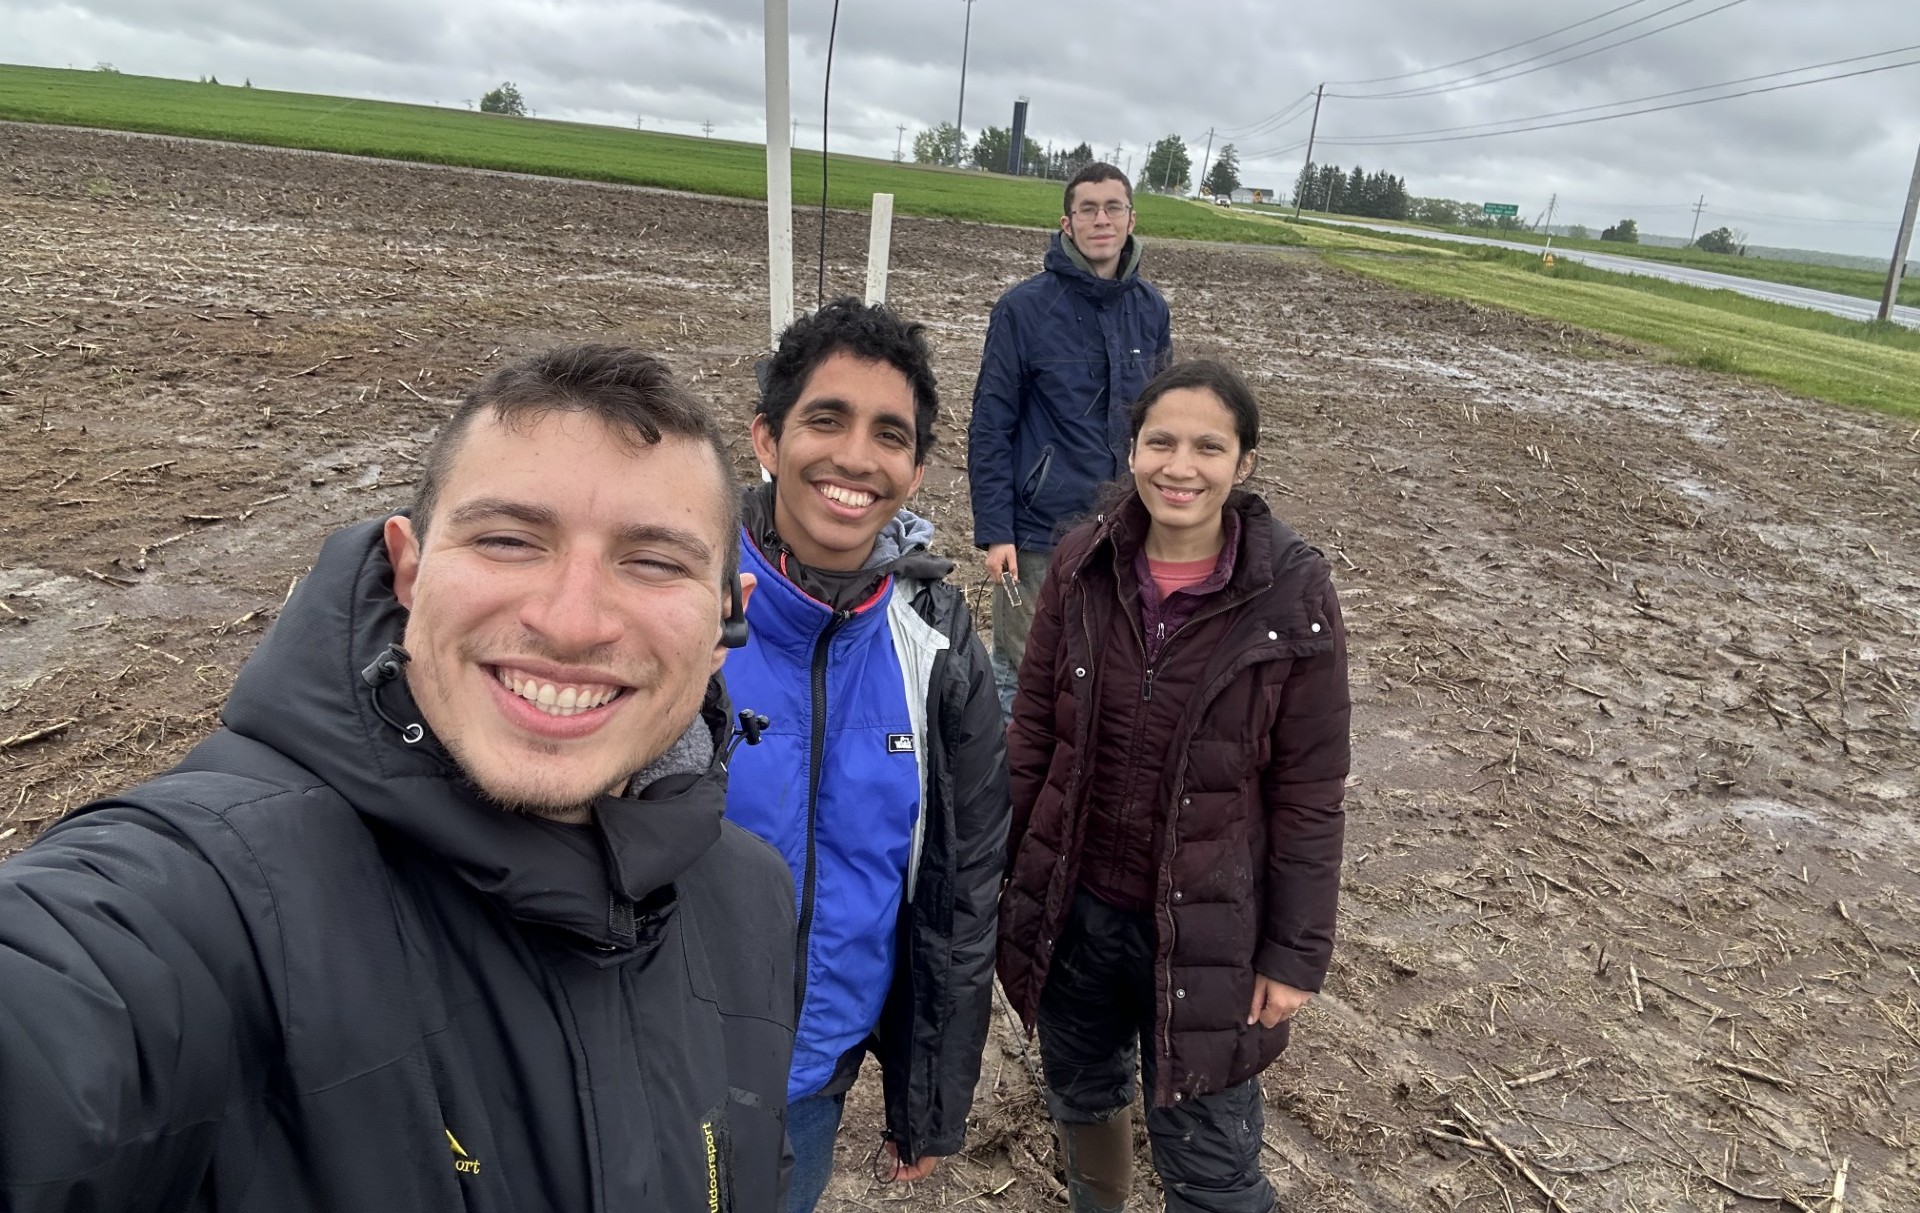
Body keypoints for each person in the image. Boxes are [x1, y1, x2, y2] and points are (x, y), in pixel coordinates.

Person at [0, 346, 798, 1212]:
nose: (572, 623)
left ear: (728, 620)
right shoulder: (217, 895)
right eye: (507, 540)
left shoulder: (746, 896)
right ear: (408, 569)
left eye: (653, 561)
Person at [997, 361, 1350, 1213]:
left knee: (1211, 1162)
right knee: (1083, 1093)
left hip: (1207, 932)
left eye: (1208, 447)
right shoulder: (1083, 563)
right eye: (1160, 442)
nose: (1179, 467)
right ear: (1132, 450)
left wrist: (1294, 953)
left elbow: (1310, 791)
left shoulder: (1293, 594)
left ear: (1244, 462)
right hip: (1077, 912)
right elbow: (1034, 733)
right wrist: (999, 878)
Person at [722, 298, 1010, 1213]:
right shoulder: (682, 599)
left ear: (915, 471)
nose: (855, 456)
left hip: (816, 1077)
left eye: (890, 434)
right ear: (767, 438)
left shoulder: (936, 644)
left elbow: (962, 887)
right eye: (826, 418)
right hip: (655, 1062)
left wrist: (927, 1101)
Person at [967, 160, 1173, 715]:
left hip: (1123, 528)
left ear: (1131, 219)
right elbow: (991, 425)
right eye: (1088, 209)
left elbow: (1162, 425)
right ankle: (1010, 770)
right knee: (1024, 671)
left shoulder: (1151, 310)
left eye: (1113, 208)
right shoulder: (1023, 309)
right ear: (1067, 223)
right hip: (1038, 533)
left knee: (1108, 667)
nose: (1101, 219)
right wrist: (996, 532)